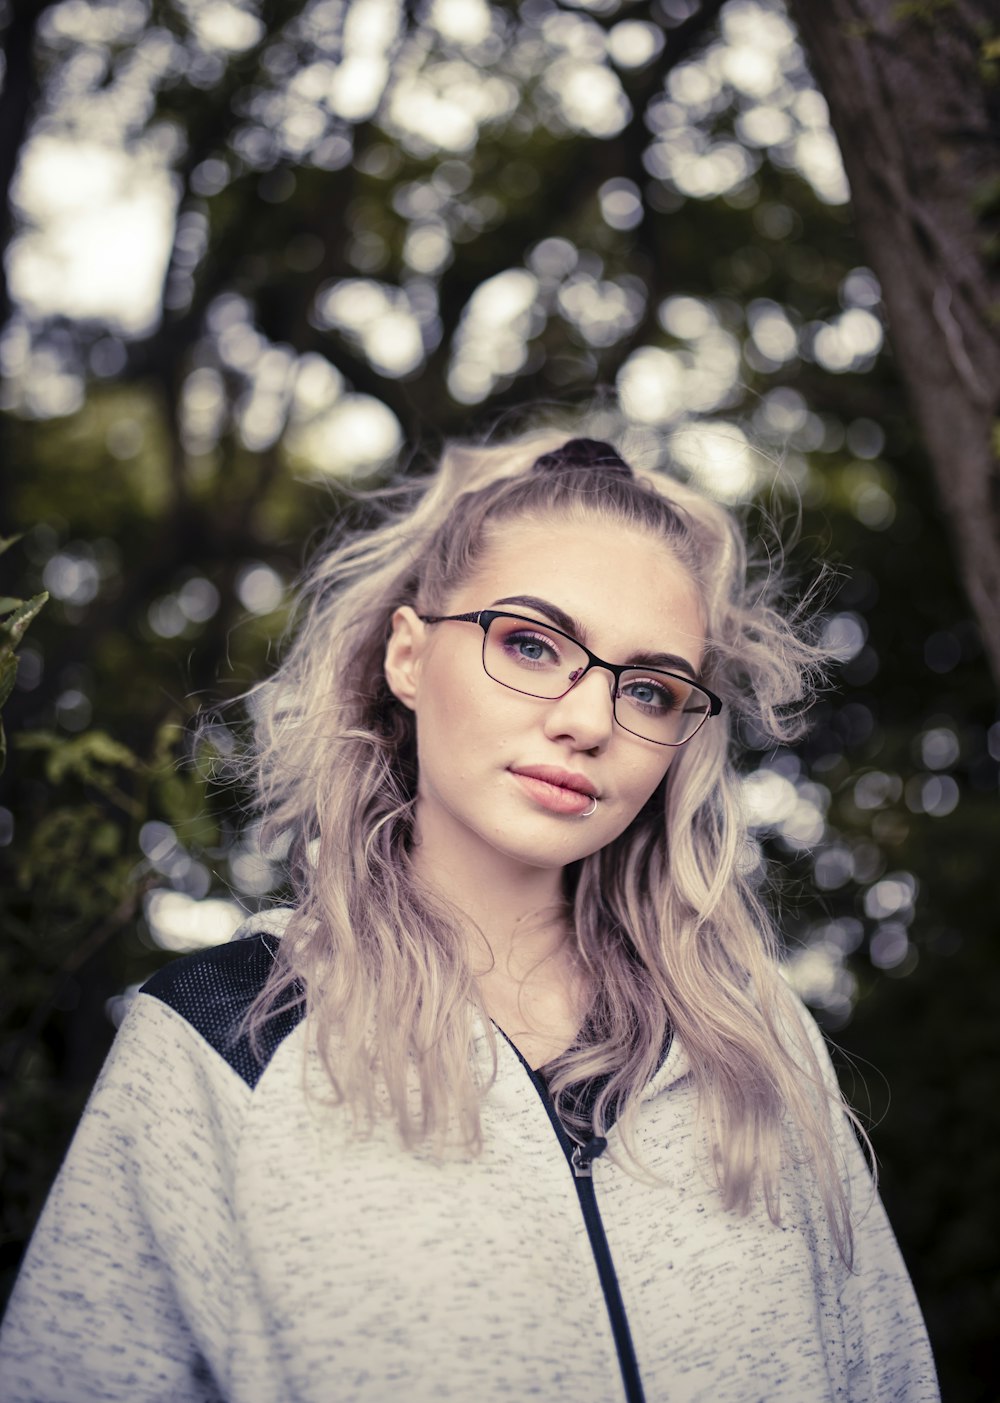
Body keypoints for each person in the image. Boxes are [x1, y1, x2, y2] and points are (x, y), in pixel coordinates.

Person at [0, 432, 938, 1403]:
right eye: (531, 642)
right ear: (407, 655)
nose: (588, 719)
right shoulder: (220, 1033)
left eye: (650, 687)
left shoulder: (756, 1043)